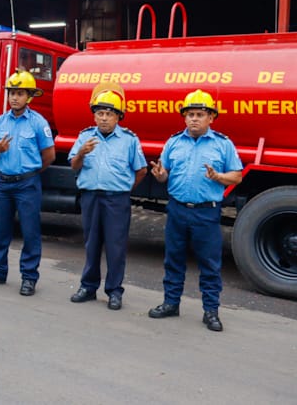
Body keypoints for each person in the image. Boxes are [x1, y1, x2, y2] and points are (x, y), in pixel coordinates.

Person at [148, 89, 242, 332]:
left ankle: (211, 311)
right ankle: (171, 303)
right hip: (177, 210)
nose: (194, 119)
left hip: (206, 213)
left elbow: (237, 176)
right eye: (190, 114)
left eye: (200, 114)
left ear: (211, 117)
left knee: (209, 264)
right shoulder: (174, 142)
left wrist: (219, 176)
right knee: (173, 260)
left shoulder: (223, 144)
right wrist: (160, 175)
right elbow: (164, 172)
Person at [0, 71, 55, 296]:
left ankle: (29, 277)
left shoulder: (38, 123)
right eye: (12, 93)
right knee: (0, 231)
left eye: (19, 94)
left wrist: (30, 173)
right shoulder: (0, 121)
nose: (14, 98)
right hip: (3, 184)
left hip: (27, 185)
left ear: (29, 97)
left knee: (30, 233)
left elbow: (49, 155)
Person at [67, 86, 147, 310]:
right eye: (100, 113)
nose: (104, 118)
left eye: (109, 114)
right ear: (94, 115)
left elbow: (140, 170)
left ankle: (114, 291)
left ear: (118, 117)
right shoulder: (85, 137)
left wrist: (123, 189)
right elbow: (74, 166)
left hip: (116, 200)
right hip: (90, 197)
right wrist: (82, 152)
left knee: (116, 246)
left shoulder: (129, 140)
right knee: (91, 243)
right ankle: (88, 287)